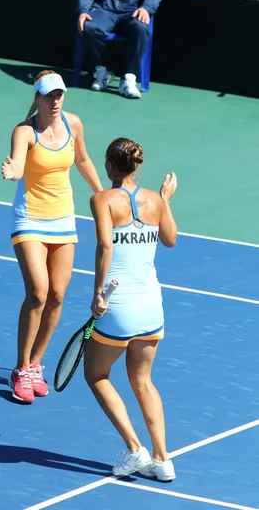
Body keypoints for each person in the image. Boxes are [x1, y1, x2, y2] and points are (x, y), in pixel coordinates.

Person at [1, 70, 103, 403]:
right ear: (38, 98)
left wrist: (103, 195)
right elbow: (17, 163)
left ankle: (34, 364)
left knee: (58, 295)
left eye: (60, 94)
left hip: (63, 220)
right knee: (39, 291)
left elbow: (83, 159)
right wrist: (13, 171)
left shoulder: (73, 123)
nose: (56, 100)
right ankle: (19, 368)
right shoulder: (25, 131)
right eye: (50, 96)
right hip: (29, 219)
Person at [84, 137, 177, 481]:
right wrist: (165, 201)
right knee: (143, 381)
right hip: (152, 304)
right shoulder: (155, 199)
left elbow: (105, 244)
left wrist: (98, 294)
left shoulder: (102, 199)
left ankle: (134, 449)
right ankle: (163, 460)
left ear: (109, 166)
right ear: (136, 167)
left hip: (119, 305)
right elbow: (170, 239)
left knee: (95, 375)